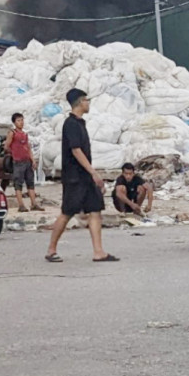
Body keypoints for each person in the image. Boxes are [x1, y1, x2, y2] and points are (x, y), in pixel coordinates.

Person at [45, 89, 116, 263]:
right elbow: (76, 150)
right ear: (79, 102)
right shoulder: (70, 124)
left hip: (86, 177)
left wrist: (91, 174)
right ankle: (51, 249)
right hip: (75, 177)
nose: (88, 103)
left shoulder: (80, 123)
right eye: (87, 100)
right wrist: (93, 172)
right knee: (67, 212)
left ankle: (98, 252)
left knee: (95, 210)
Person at [1, 113, 40, 213]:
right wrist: (14, 152)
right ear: (14, 122)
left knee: (30, 183)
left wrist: (33, 160)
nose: (21, 122)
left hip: (27, 161)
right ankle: (21, 205)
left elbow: (28, 148)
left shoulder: (24, 134)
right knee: (18, 184)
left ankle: (34, 203)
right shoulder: (12, 133)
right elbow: (6, 146)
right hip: (18, 162)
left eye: (22, 120)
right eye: (18, 120)